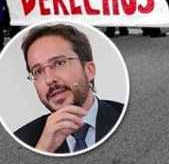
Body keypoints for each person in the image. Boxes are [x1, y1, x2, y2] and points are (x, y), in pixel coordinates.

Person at [14, 24, 124, 154]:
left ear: (89, 70)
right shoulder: (23, 139)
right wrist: (43, 150)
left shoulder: (125, 117)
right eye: (38, 71)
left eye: (59, 63)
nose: (49, 80)